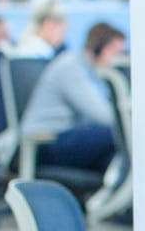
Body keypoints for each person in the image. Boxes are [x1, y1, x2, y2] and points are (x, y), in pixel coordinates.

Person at [21, 22, 125, 173]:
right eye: (116, 52)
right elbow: (104, 116)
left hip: (68, 138)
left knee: (117, 160)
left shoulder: (95, 73)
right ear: (97, 48)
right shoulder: (71, 67)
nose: (119, 59)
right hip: (45, 141)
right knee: (114, 134)